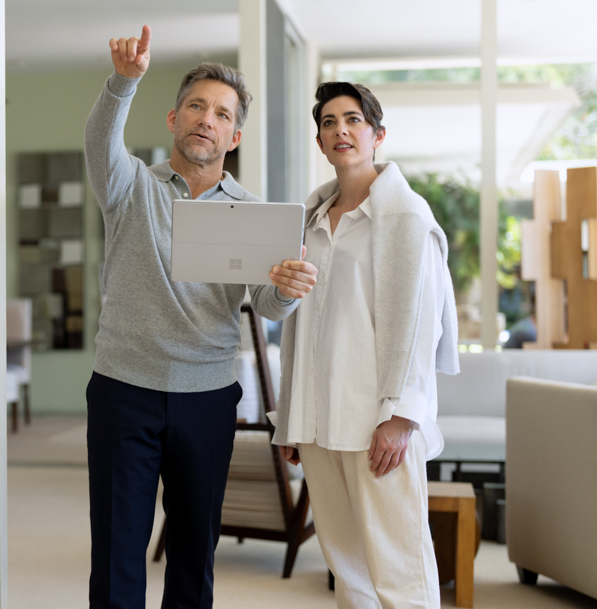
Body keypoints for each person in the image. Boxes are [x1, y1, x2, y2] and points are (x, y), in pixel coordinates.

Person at [84, 25, 318, 609]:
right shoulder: (129, 185)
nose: (206, 119)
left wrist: (287, 290)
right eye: (195, 106)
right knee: (116, 552)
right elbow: (99, 140)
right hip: (123, 390)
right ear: (174, 118)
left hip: (207, 397)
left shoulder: (252, 212)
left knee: (194, 555)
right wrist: (122, 82)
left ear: (233, 136)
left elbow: (266, 305)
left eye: (221, 113)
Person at [268, 82, 460, 608]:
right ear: (320, 142)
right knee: (346, 569)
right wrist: (292, 416)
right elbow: (301, 325)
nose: (341, 130)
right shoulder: (308, 223)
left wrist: (401, 416)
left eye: (353, 119)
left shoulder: (407, 218)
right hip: (318, 420)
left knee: (400, 570)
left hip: (379, 421)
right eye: (329, 122)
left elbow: (423, 325)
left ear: (378, 135)